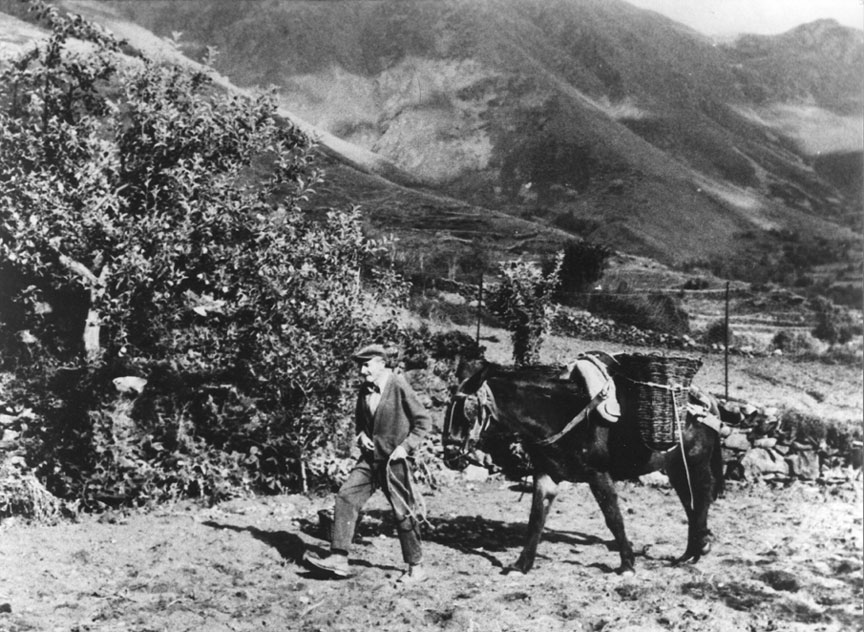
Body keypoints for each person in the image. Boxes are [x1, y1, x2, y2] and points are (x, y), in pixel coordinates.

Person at [305, 343, 431, 583]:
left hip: (394, 462)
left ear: (381, 363)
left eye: (366, 364)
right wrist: (362, 435)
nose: (362, 371)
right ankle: (339, 557)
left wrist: (405, 448)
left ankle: (416, 568)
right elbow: (361, 422)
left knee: (403, 512)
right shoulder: (365, 389)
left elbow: (423, 421)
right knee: (346, 496)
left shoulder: (398, 385)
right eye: (360, 366)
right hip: (370, 459)